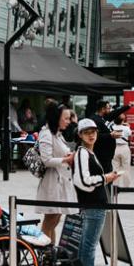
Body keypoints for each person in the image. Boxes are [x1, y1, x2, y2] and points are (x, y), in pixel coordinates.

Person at [72, 118, 119, 266]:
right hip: (93, 204)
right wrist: (105, 178)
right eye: (87, 132)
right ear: (80, 135)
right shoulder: (83, 153)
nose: (91, 135)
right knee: (89, 245)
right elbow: (82, 181)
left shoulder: (87, 153)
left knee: (86, 244)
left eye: (94, 131)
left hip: (93, 204)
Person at [34, 104, 77, 243]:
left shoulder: (57, 134)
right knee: (49, 222)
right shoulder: (46, 133)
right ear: (56, 118)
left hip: (61, 182)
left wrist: (68, 155)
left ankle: (51, 255)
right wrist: (67, 159)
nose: (68, 121)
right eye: (65, 118)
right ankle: (45, 257)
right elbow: (46, 160)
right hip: (53, 183)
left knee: (54, 221)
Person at [111, 113, 132, 189]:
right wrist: (128, 127)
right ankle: (126, 186)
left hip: (115, 148)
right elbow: (130, 139)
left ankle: (115, 185)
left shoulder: (112, 127)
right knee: (126, 167)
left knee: (115, 167)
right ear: (122, 120)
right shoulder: (126, 128)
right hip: (124, 147)